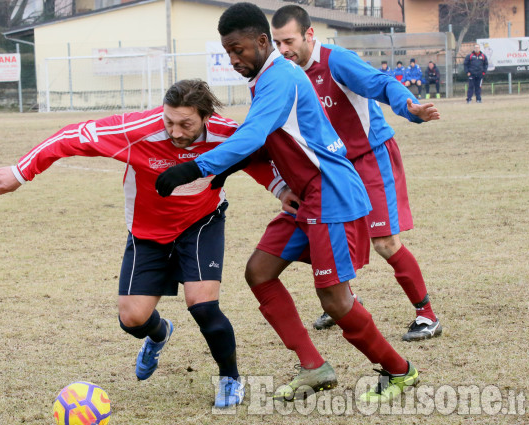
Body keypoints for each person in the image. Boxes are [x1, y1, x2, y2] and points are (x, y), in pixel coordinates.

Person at [155, 2, 419, 403]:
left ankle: (399, 370)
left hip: (329, 193)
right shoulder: (267, 77)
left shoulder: (280, 77)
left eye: (238, 49)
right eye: (227, 51)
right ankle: (314, 366)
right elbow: (262, 139)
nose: (233, 59)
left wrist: (197, 168)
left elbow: (255, 132)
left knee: (334, 299)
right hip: (306, 198)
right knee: (259, 272)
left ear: (262, 42)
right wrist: (228, 169)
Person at [0, 79, 292, 408]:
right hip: (147, 232)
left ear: (205, 117)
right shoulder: (138, 130)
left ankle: (229, 378)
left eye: (186, 124)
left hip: (201, 222)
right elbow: (69, 136)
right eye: (169, 121)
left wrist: (281, 189)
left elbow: (254, 157)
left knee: (203, 306)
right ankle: (159, 333)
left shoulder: (226, 134)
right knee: (132, 318)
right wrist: (21, 171)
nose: (175, 131)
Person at [270, 4, 442, 343]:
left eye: (288, 41)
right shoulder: (286, 73)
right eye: (277, 43)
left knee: (384, 242)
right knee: (329, 236)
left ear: (309, 35)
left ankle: (426, 315)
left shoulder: (336, 61)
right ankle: (344, 302)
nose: (282, 50)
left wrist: (411, 108)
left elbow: (380, 83)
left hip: (369, 157)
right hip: (334, 168)